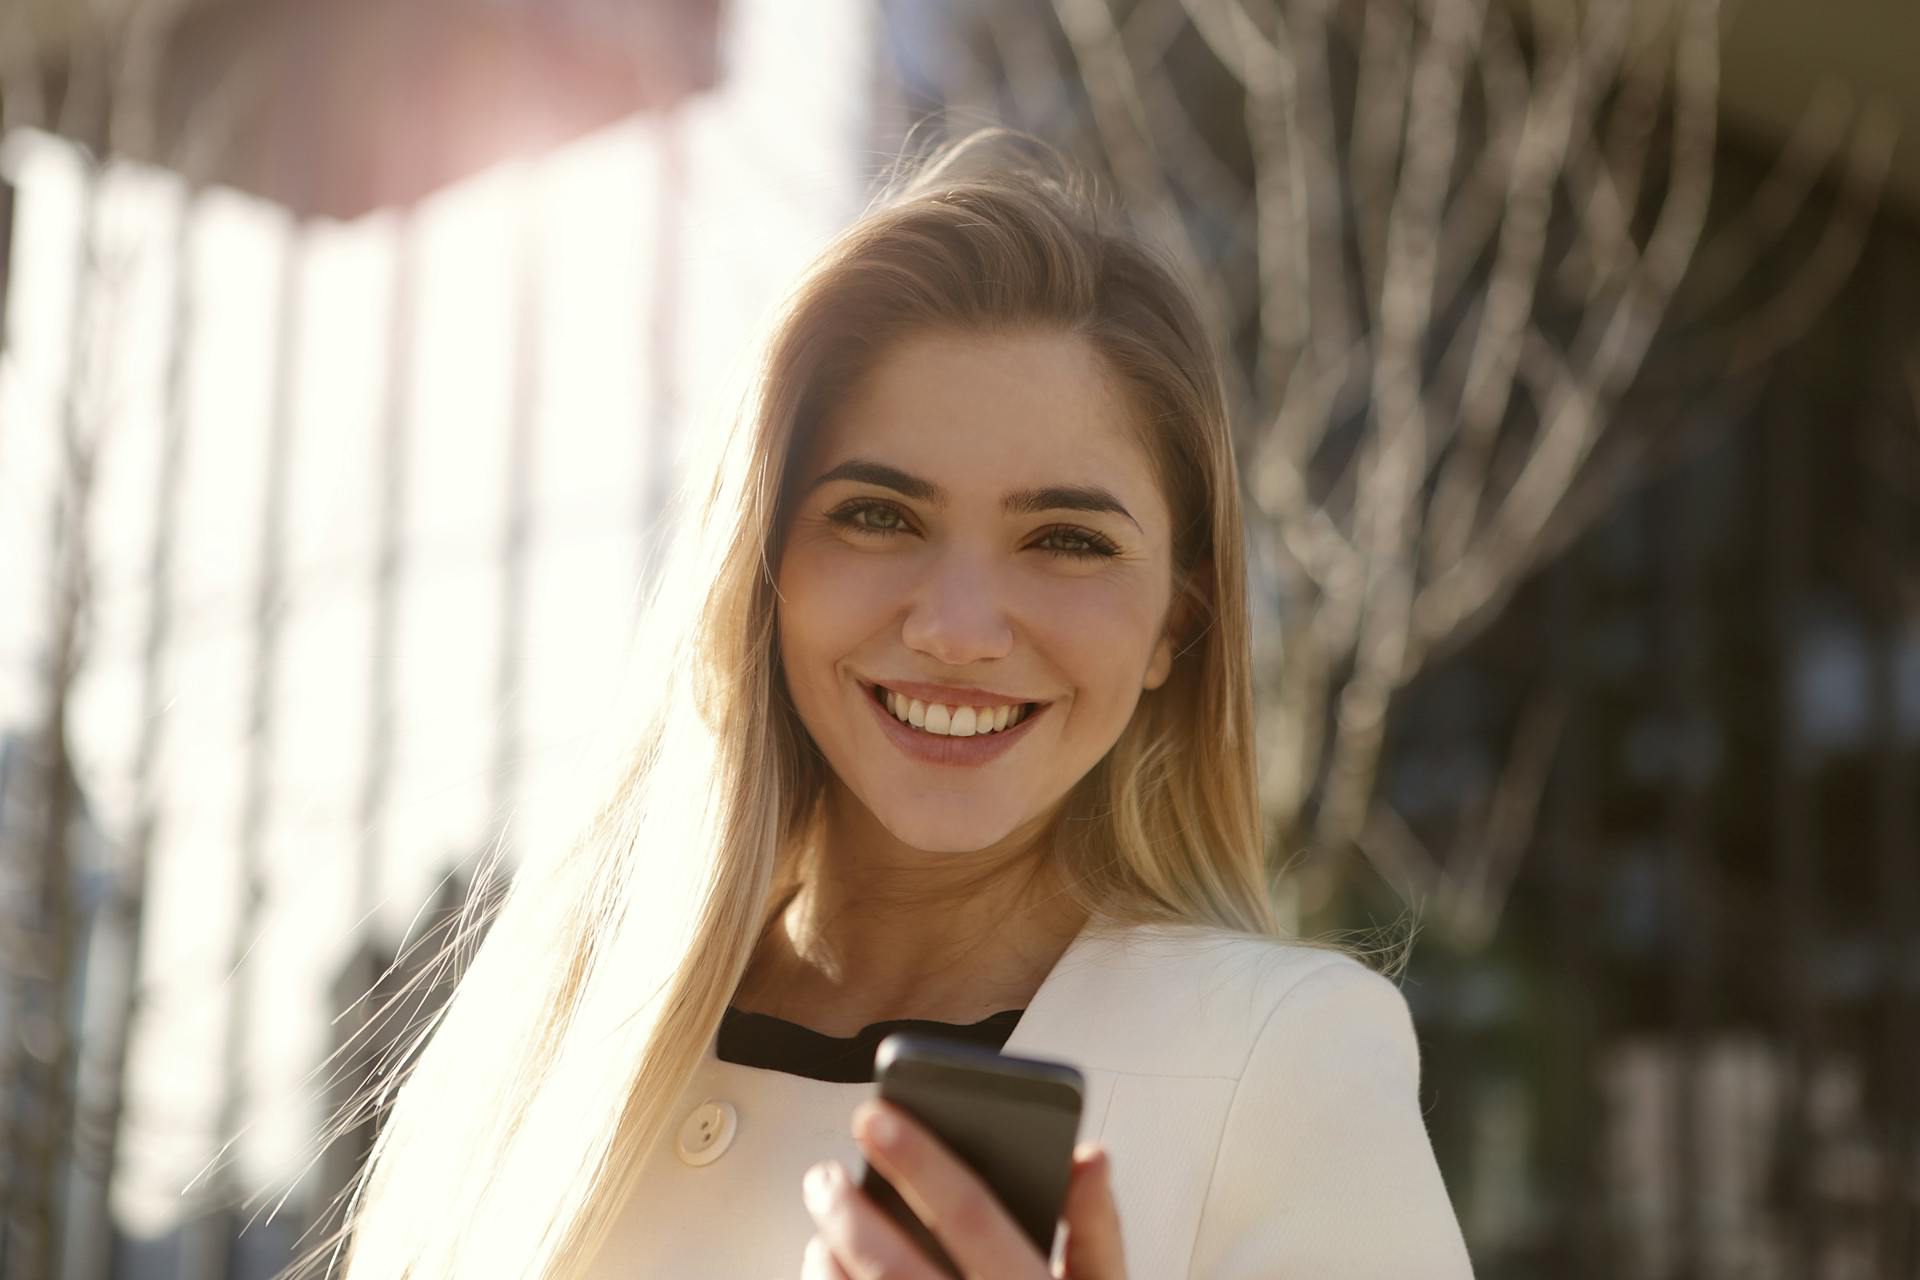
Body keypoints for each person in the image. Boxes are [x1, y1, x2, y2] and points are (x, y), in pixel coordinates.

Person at [329, 126, 1474, 1279]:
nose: (958, 628)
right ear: (762, 562)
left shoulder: (1283, 1060)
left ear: (1178, 622)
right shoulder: (545, 1041)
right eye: (879, 515)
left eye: (1068, 539)